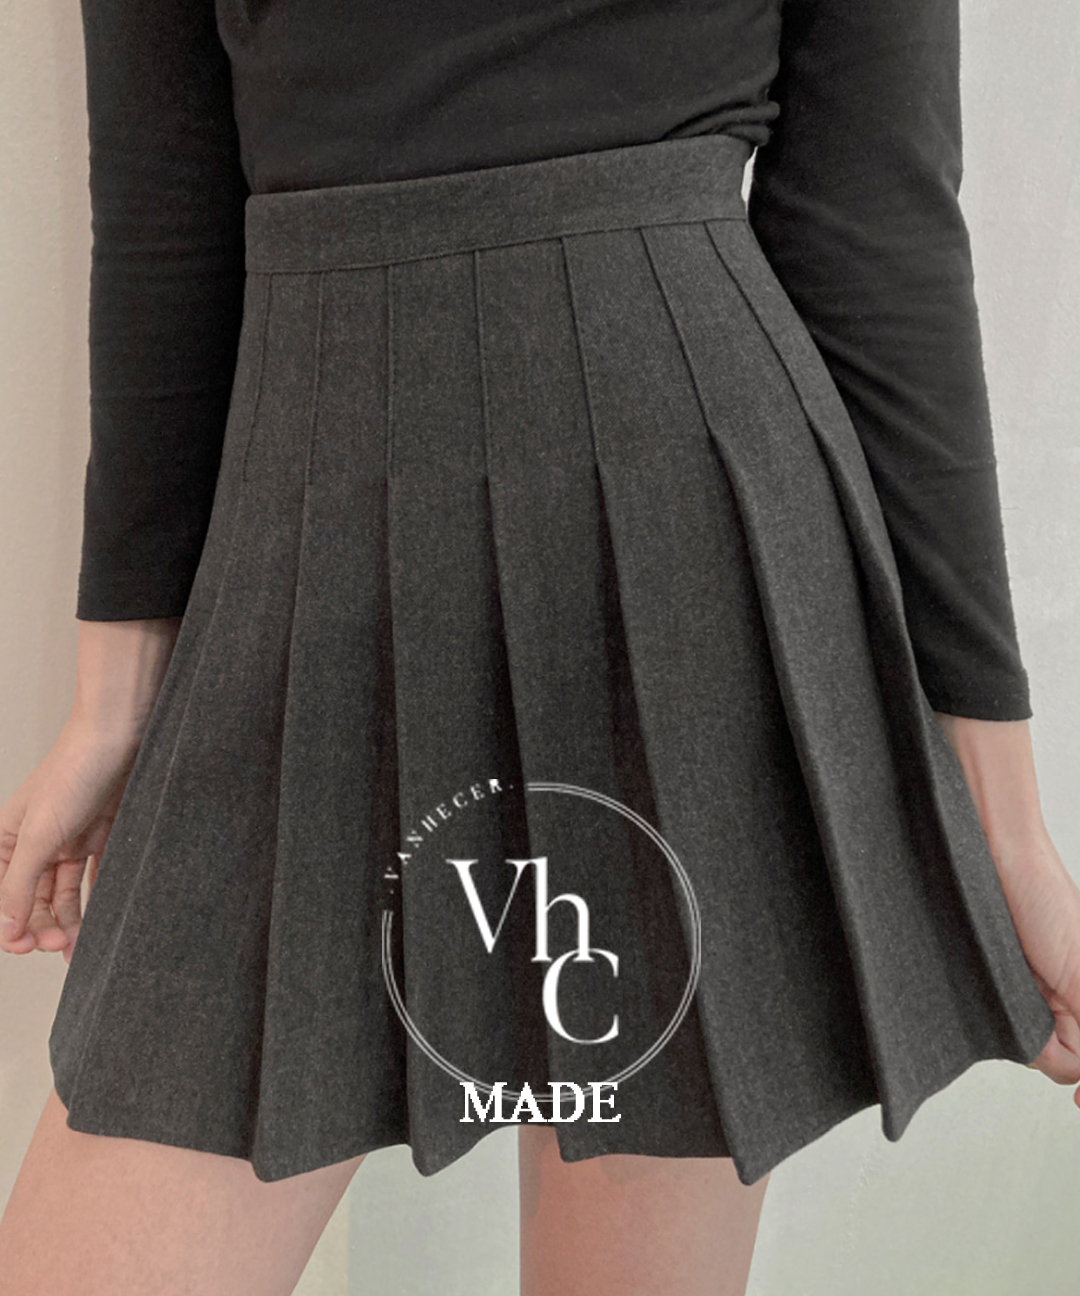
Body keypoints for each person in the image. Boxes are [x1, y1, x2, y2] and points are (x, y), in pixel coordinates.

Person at [1, 0, 1079, 1293]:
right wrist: (113, 693)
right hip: (306, 519)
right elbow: (165, 206)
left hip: (674, 539)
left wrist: (1006, 830)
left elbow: (875, 220)